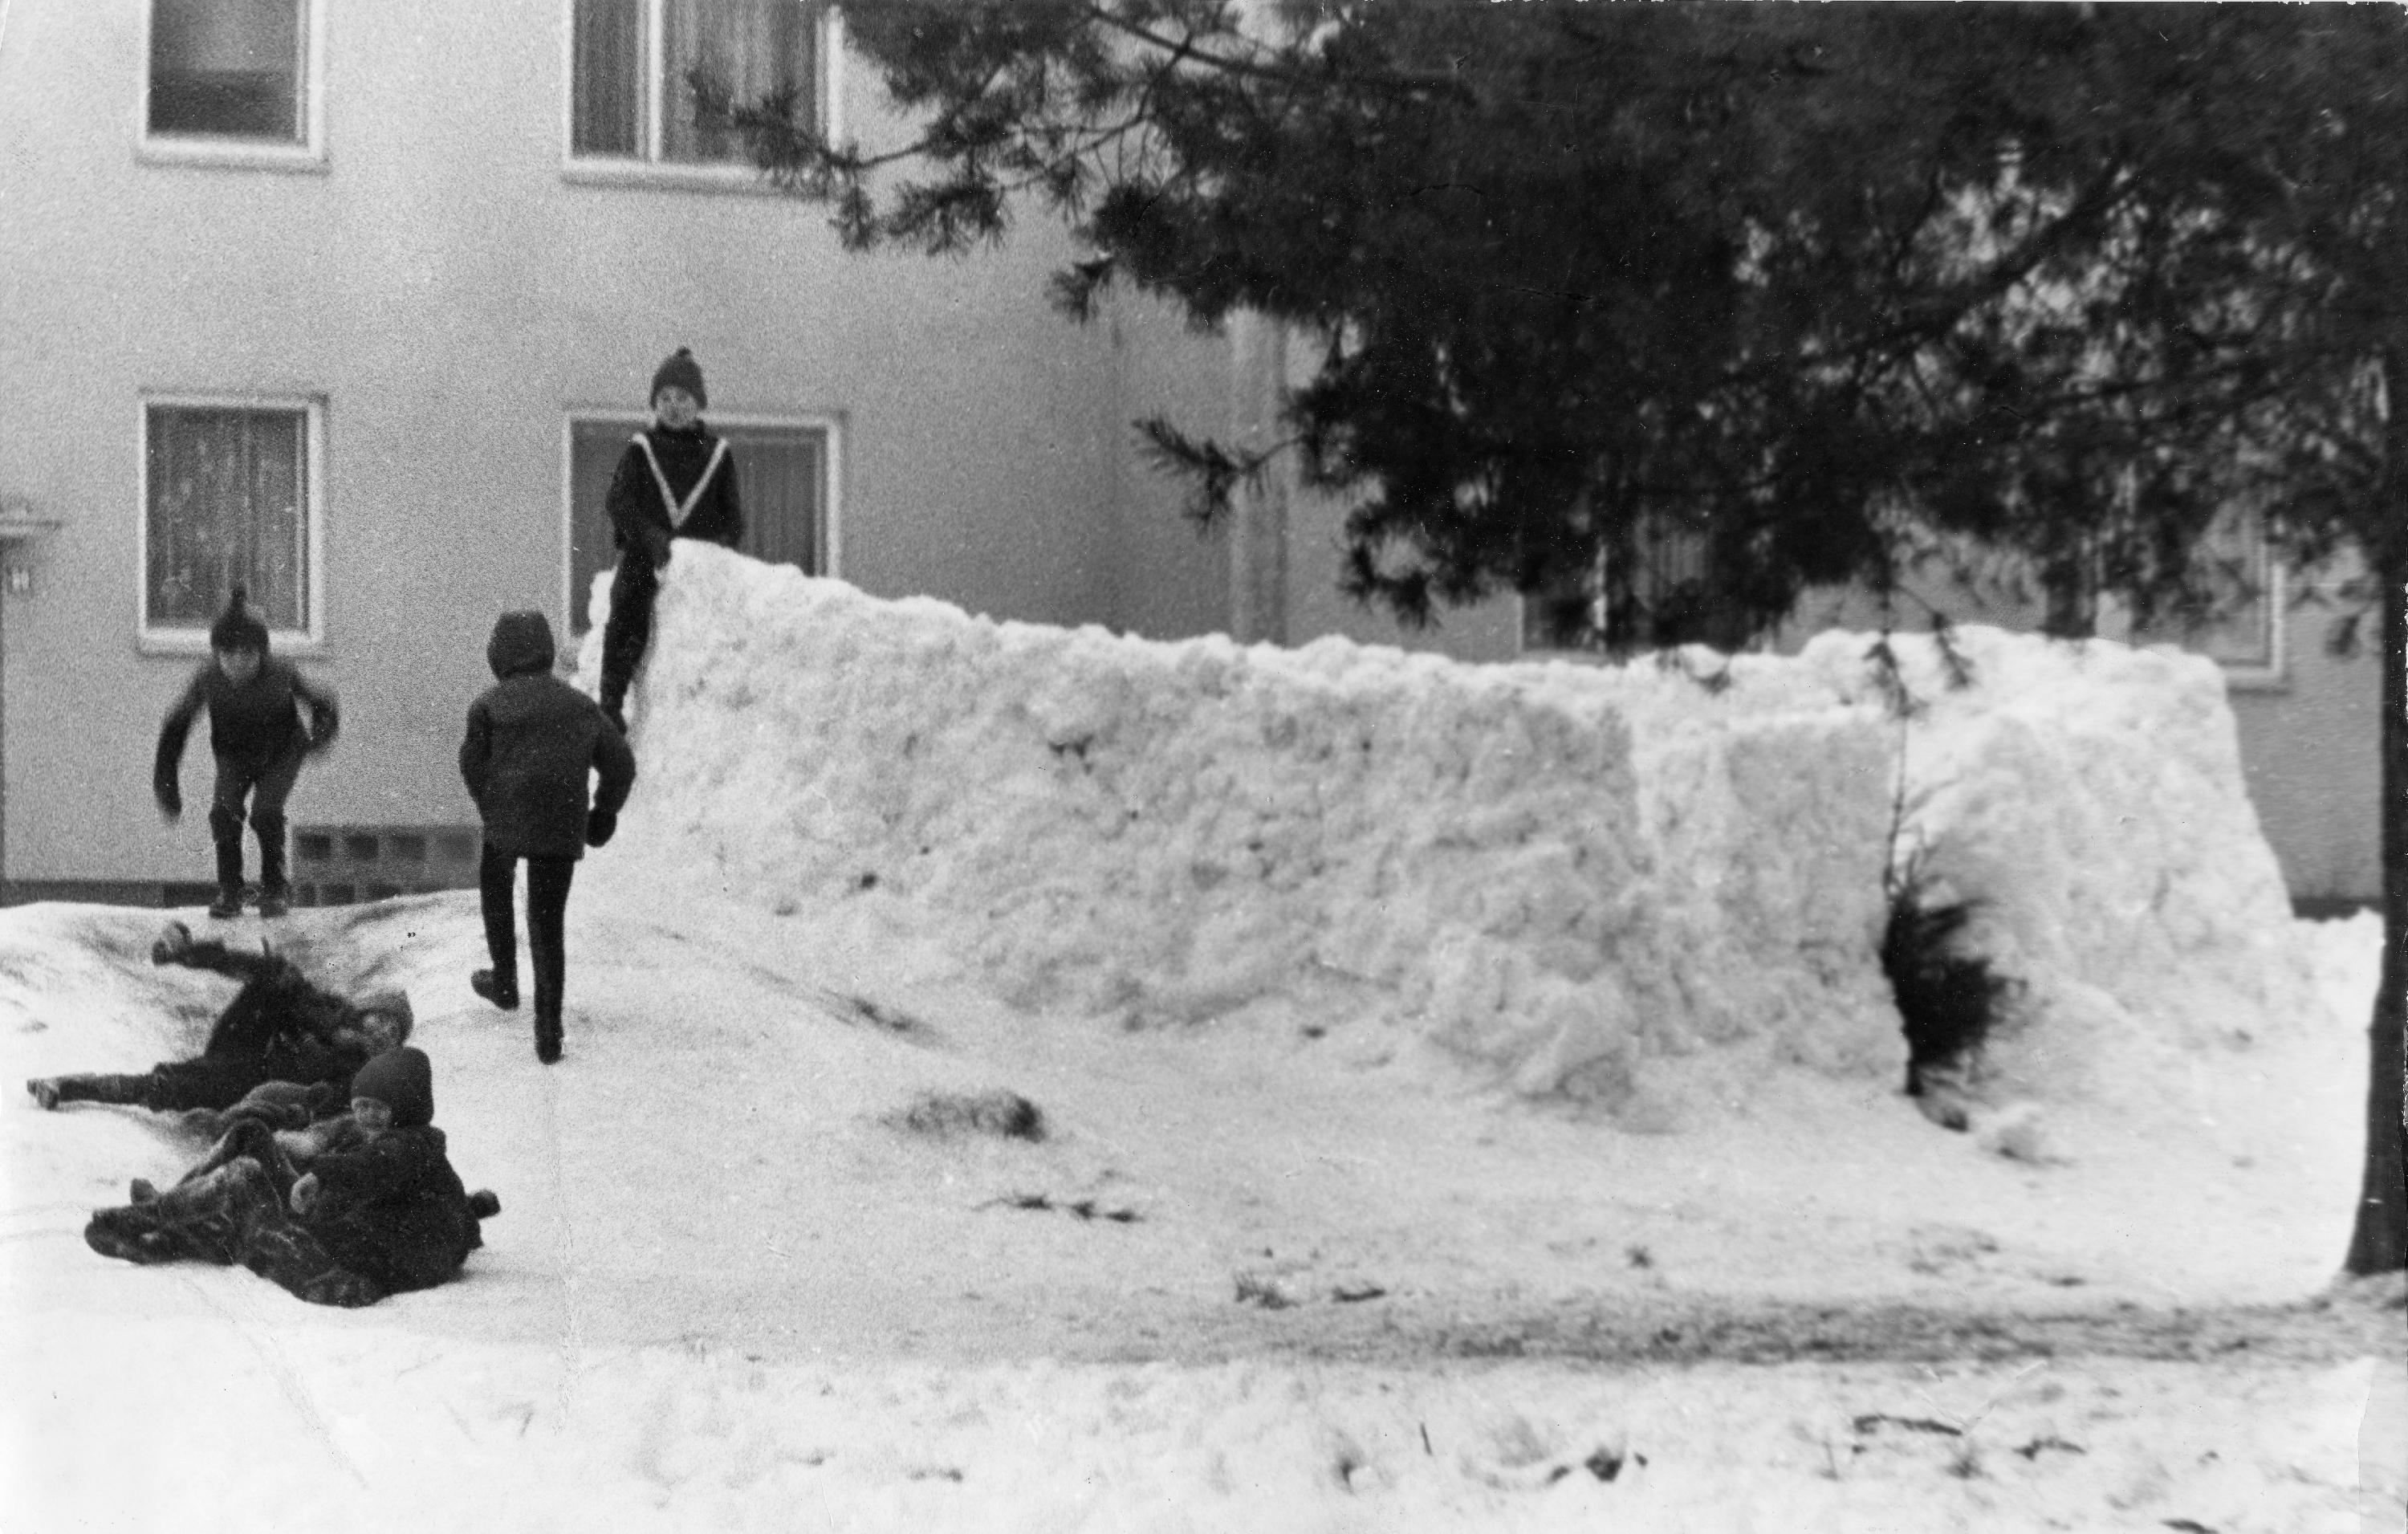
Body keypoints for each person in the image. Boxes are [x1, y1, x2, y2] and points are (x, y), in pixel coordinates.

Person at [82, 1046, 499, 1308]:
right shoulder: (398, 1149)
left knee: (244, 1180)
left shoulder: (414, 1145)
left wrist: (319, 1177)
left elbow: (375, 1170)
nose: (367, 1116)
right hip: (327, 1239)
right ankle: (169, 1214)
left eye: (380, 1108)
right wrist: (472, 1211)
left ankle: (151, 1220)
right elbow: (440, 1211)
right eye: (361, 1104)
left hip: (333, 1271)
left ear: (407, 1108)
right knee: (251, 1135)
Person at [459, 609, 637, 1064]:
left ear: (498, 655)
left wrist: (492, 805)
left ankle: (504, 980)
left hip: (507, 820)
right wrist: (604, 814)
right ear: (546, 652)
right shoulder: (579, 706)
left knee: (495, 885)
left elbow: (471, 764)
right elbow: (620, 763)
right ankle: (549, 1030)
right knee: (547, 921)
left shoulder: (488, 705)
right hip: (562, 823)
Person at [24, 920, 412, 1115]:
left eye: (395, 1032)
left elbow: (330, 1103)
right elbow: (292, 995)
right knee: (277, 975)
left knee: (174, 1085)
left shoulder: (366, 1074)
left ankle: (72, 1087)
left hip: (256, 1083)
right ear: (365, 1013)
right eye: (383, 1020)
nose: (385, 1032)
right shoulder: (329, 1010)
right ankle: (185, 951)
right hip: (247, 1045)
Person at [153, 586, 340, 919]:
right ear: (217, 655)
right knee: (224, 812)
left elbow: (322, 703)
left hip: (282, 752)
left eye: (249, 655)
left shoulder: (281, 672)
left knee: (266, 813)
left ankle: (274, 888)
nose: (239, 663)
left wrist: (319, 737)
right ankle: (230, 890)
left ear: (261, 654)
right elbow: (175, 729)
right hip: (234, 754)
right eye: (230, 655)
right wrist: (166, 786)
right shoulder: (208, 677)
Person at [596, 347, 744, 732]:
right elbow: (619, 501)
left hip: (697, 565)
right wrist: (650, 537)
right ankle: (611, 701)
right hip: (646, 556)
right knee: (628, 599)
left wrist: (703, 550)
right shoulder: (640, 449)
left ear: (698, 404)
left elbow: (733, 521)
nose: (673, 407)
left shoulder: (718, 454)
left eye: (682, 399)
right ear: (654, 404)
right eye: (664, 399)